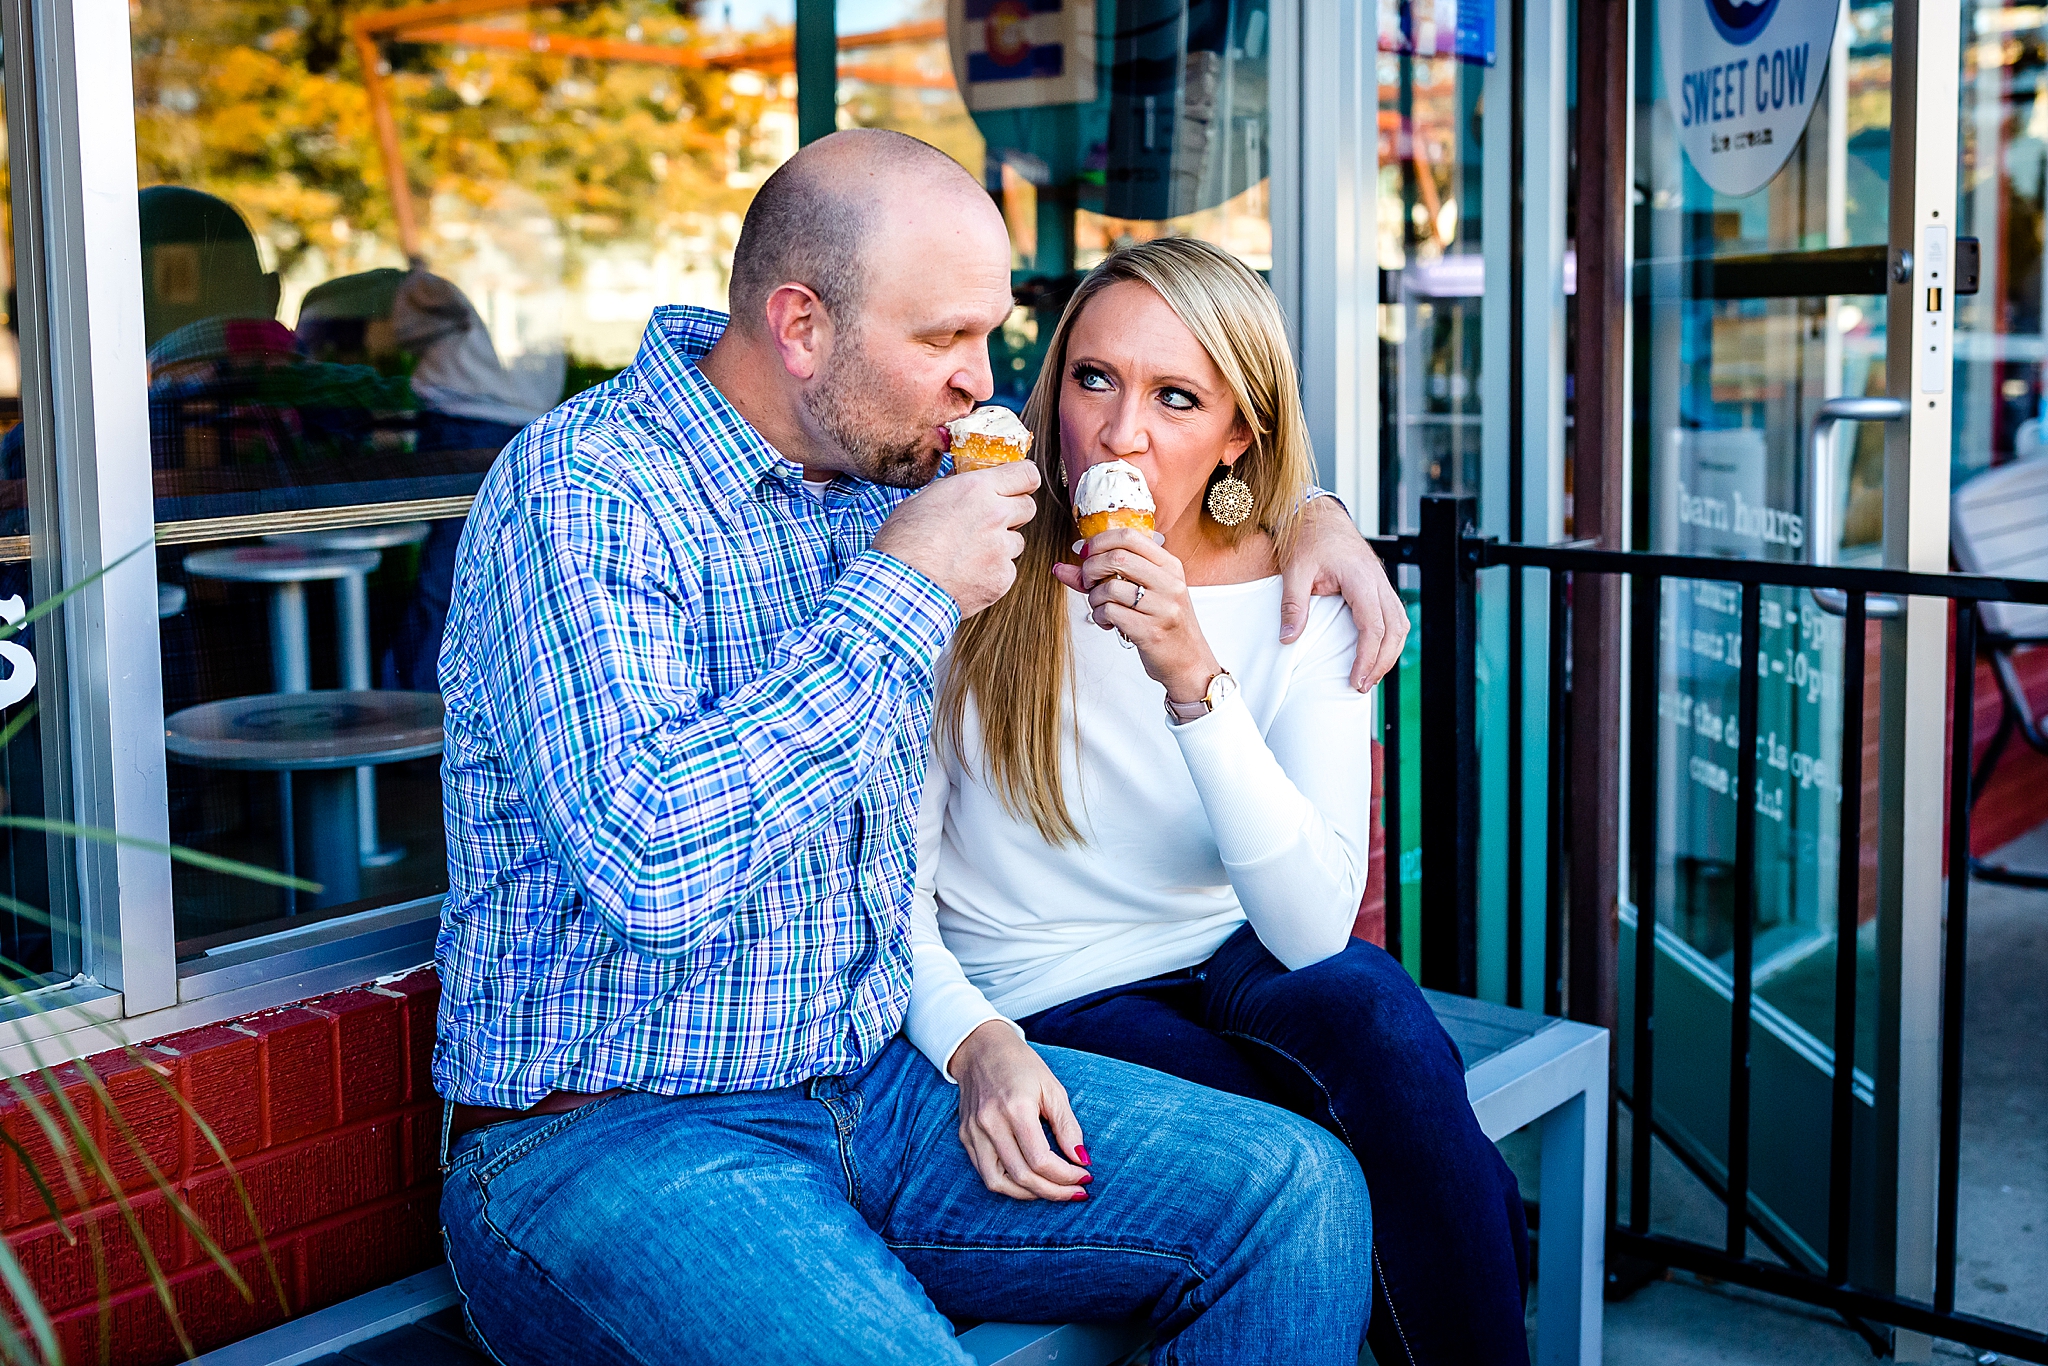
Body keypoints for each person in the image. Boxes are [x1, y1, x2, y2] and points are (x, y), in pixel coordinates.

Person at [434, 128, 1407, 1365]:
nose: (981, 382)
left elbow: (1153, 451)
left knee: (1295, 1193)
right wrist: (898, 594)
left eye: (993, 337)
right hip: (609, 1134)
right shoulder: (582, 495)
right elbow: (649, 866)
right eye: (944, 340)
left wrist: (1313, 515)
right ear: (800, 327)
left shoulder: (881, 461)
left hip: (880, 1085)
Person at [907, 237, 1531, 1366]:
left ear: (1238, 431)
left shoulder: (1305, 590)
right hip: (1049, 988)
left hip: (1231, 950)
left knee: (1374, 1016)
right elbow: (879, 880)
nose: (1120, 432)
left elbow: (1304, 930)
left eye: (1175, 397)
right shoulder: (971, 559)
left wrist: (1194, 677)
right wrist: (967, 1035)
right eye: (1092, 379)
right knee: (1378, 1171)